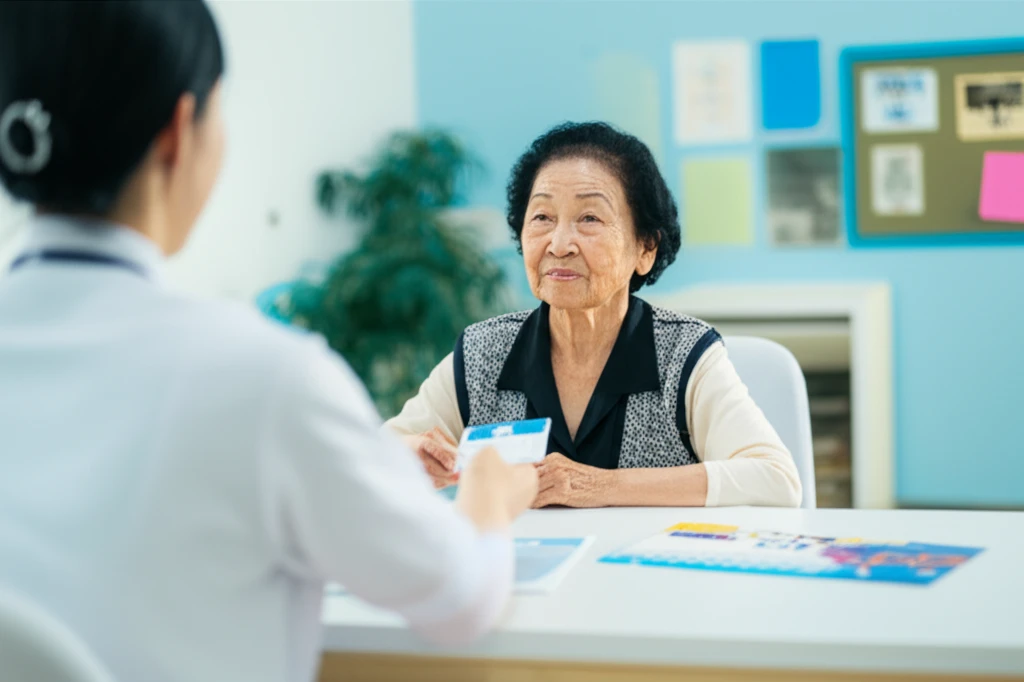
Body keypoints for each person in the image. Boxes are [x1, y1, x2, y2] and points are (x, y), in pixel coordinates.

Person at [0, 3, 537, 682]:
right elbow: (460, 599)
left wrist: (371, 465)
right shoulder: (264, 377)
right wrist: (489, 490)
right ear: (179, 131)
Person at [390, 122, 802, 509]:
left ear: (645, 248)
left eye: (589, 218)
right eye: (542, 217)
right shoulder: (483, 353)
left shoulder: (684, 353)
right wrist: (411, 456)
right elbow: (376, 457)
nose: (559, 244)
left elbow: (776, 480)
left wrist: (596, 485)